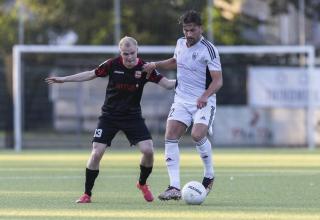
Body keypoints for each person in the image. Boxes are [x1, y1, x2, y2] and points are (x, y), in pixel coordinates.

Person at [45, 36, 176, 203]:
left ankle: (142, 184)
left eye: (132, 53)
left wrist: (189, 81)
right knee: (96, 152)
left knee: (148, 151)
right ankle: (87, 194)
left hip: (132, 117)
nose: (129, 57)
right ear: (120, 52)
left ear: (137, 51)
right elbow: (90, 74)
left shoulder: (146, 68)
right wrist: (64, 79)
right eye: (125, 53)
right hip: (109, 116)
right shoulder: (112, 64)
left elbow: (167, 84)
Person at [143, 10, 223, 201]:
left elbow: (217, 81)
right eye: (186, 30)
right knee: (170, 135)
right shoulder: (180, 43)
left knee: (197, 135)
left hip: (203, 101)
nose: (189, 34)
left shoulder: (209, 50)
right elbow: (175, 61)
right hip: (181, 99)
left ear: (200, 29)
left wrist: (204, 96)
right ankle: (174, 187)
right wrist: (155, 64)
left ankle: (209, 175)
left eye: (192, 30)